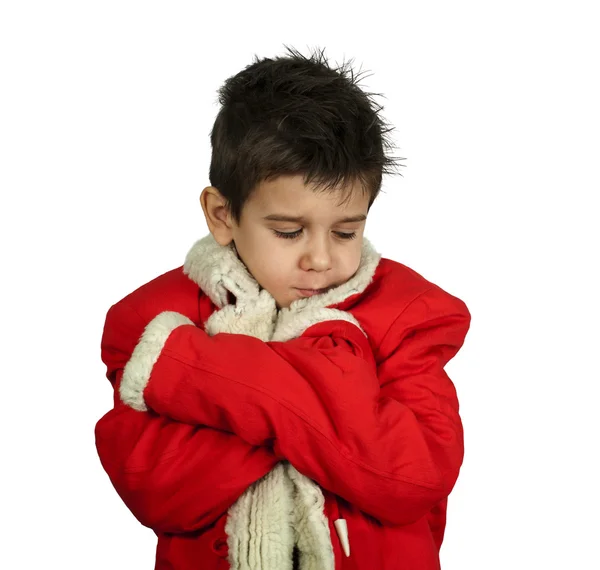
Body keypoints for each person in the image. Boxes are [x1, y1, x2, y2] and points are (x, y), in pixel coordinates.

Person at [95, 45, 471, 570]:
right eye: (289, 231)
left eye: (347, 231)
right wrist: (333, 418)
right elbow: (156, 487)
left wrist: (201, 373)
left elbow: (411, 476)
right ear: (222, 214)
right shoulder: (150, 320)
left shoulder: (409, 314)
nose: (320, 258)